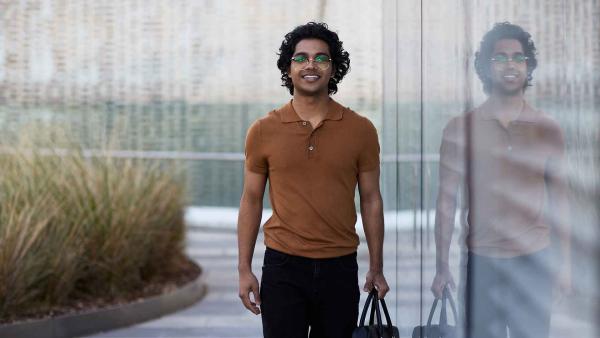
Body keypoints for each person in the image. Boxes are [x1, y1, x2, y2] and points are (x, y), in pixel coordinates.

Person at [237, 22, 389, 338]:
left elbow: (371, 199)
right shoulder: (263, 130)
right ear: (288, 68)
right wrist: (243, 270)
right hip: (282, 268)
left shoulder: (361, 130)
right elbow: (251, 200)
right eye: (301, 58)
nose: (311, 65)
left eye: (321, 58)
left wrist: (376, 267)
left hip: (340, 267)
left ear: (334, 68)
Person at [430, 22, 571, 338]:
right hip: (482, 263)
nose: (510, 64)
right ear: (486, 66)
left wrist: (565, 267)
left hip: (534, 263)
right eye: (500, 57)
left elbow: (560, 202)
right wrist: (442, 266)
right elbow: (446, 201)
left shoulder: (548, 129)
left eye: (518, 58)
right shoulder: (460, 128)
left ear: (528, 66)